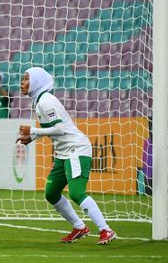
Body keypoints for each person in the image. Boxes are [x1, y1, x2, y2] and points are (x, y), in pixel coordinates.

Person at [16, 67, 116, 245]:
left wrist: (33, 130)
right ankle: (79, 227)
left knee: (77, 193)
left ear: (37, 81)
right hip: (63, 152)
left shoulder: (46, 101)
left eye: (25, 79)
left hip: (76, 149)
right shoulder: (39, 101)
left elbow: (60, 129)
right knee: (51, 193)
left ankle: (105, 229)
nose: (21, 83)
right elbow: (53, 129)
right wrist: (32, 137)